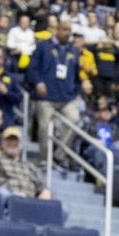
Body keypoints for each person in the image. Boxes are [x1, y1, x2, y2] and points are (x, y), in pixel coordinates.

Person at [29, 20, 81, 165]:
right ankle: (45, 160)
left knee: (75, 119)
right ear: (56, 29)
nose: (67, 33)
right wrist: (38, 82)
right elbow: (32, 68)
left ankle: (59, 155)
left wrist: (76, 90)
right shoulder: (43, 46)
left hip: (66, 97)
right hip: (45, 97)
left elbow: (77, 74)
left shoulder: (74, 50)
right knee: (45, 127)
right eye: (64, 29)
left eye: (69, 30)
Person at [0, 126, 52, 199]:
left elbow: (42, 186)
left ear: (21, 145)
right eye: (9, 140)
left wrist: (45, 191)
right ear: (2, 143)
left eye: (15, 140)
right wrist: (14, 194)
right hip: (6, 200)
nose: (12, 143)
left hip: (29, 201)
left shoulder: (30, 166)